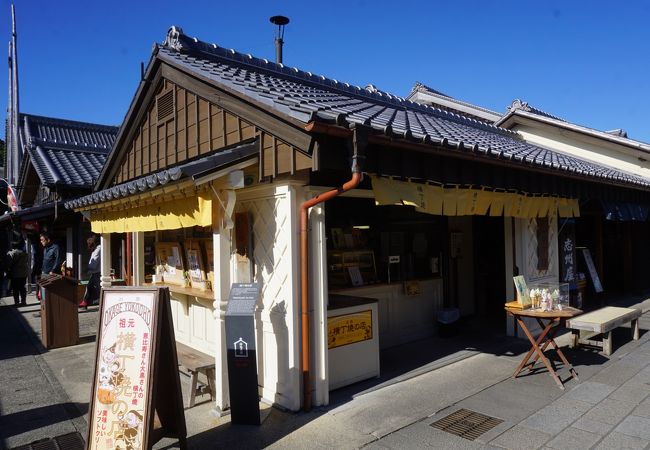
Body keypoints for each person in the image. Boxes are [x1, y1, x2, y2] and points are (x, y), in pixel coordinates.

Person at [39, 232, 64, 301]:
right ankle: (44, 308)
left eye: (42, 240)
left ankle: (50, 309)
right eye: (40, 240)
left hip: (51, 273)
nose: (41, 242)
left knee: (51, 293)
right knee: (43, 292)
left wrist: (53, 270)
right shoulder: (45, 248)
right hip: (44, 272)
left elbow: (58, 260)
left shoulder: (56, 248)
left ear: (48, 240)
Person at [4, 241, 29, 306]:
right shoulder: (24, 253)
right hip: (24, 273)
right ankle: (23, 301)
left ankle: (17, 302)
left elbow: (9, 263)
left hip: (15, 273)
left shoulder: (12, 253)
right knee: (22, 288)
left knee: (15, 288)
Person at [81, 234, 101, 308]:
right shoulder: (96, 249)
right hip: (95, 272)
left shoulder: (98, 249)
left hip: (97, 272)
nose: (88, 245)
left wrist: (87, 268)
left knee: (97, 288)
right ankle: (85, 302)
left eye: (89, 243)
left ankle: (86, 302)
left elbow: (94, 263)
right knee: (90, 287)